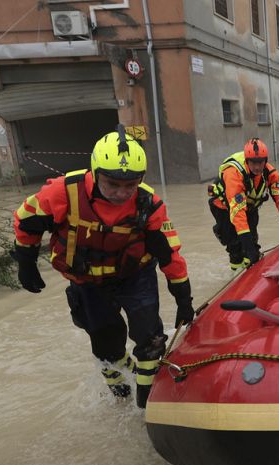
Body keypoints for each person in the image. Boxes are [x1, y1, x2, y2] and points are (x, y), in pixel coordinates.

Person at [11, 126, 194, 408]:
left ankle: (147, 404)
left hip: (135, 276)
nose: (122, 193)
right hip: (87, 281)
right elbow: (26, 220)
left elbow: (169, 254)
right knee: (106, 343)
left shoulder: (149, 204)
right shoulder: (63, 193)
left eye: (130, 185)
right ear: (95, 173)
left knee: (150, 337)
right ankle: (119, 390)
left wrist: (183, 297)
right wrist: (26, 261)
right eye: (112, 184)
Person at [208, 138, 279, 270]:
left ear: (266, 161)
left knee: (253, 242)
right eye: (253, 163)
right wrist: (247, 246)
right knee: (235, 246)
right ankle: (235, 272)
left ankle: (250, 265)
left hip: (250, 207)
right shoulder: (234, 174)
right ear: (247, 161)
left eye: (261, 162)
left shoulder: (270, 173)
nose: (257, 167)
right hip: (223, 207)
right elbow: (238, 213)